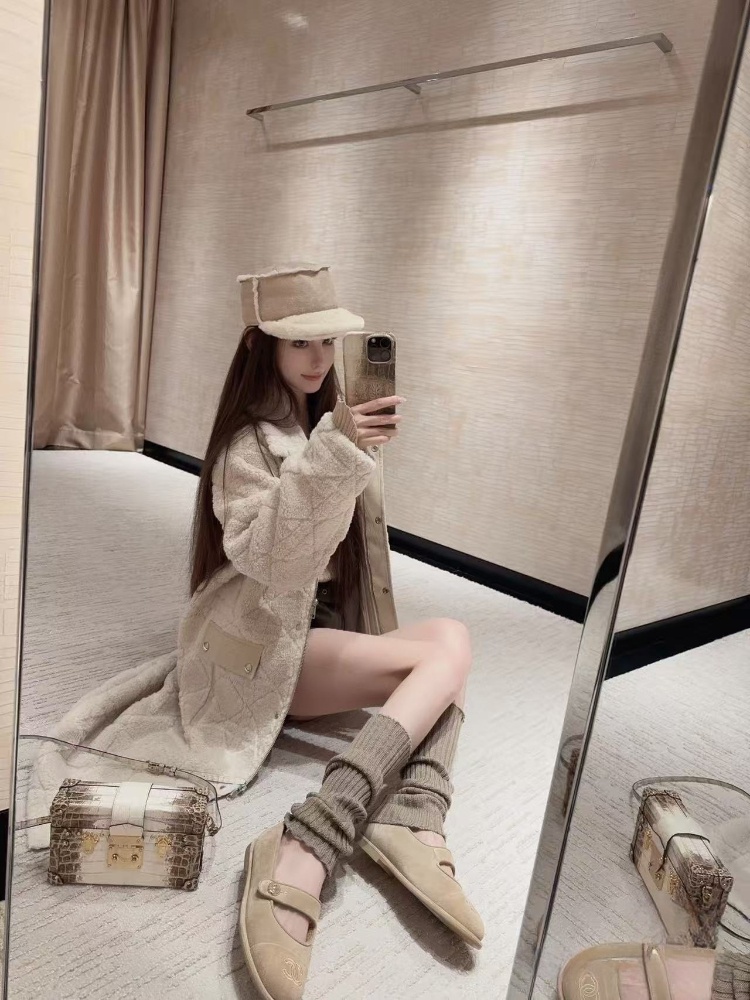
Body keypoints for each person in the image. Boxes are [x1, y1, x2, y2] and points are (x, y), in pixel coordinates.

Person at [186, 264, 484, 999]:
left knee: (448, 647)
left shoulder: (322, 424)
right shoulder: (247, 444)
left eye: (327, 341)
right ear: (261, 346)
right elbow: (273, 562)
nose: (319, 358)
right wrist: (337, 451)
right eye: (300, 343)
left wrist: (342, 445)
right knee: (443, 661)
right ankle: (315, 832)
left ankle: (415, 813)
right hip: (267, 644)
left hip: (317, 630)